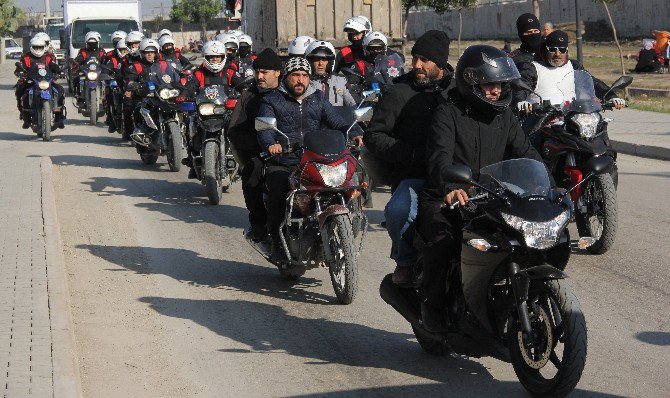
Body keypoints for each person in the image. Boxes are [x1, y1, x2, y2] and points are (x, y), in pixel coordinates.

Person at [418, 45, 547, 332]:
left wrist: (548, 184)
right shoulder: (447, 112)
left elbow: (527, 153)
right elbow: (439, 157)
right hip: (448, 197)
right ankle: (432, 307)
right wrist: (450, 187)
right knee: (444, 241)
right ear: (471, 82)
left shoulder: (505, 116)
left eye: (500, 85)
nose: (496, 91)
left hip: (490, 198)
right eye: (489, 84)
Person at [362, 30, 453, 285]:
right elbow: (375, 135)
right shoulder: (399, 91)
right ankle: (405, 261)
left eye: (425, 59)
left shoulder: (457, 92)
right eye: (415, 58)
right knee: (399, 211)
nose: (417, 65)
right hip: (414, 176)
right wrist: (411, 153)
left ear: (441, 62)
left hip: (453, 176)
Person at [257, 57, 349, 260]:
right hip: (284, 160)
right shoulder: (271, 100)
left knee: (346, 183)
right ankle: (277, 242)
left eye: (304, 75)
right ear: (286, 77)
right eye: (295, 75)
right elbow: (264, 129)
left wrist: (354, 131)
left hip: (313, 159)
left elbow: (336, 120)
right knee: (278, 189)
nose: (300, 80)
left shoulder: (317, 97)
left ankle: (345, 229)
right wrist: (271, 144)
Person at [228, 48, 283, 241]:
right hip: (260, 153)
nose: (260, 76)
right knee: (252, 172)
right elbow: (234, 131)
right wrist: (260, 145)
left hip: (291, 151)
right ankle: (258, 224)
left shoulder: (288, 93)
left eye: (265, 72)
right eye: (257, 72)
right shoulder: (248, 96)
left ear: (277, 73)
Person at [515, 30, 626, 115]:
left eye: (562, 49)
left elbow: (593, 83)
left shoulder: (574, 66)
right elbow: (522, 88)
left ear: (567, 50)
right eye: (553, 49)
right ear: (546, 49)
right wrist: (521, 101)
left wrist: (612, 96)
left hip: (572, 117)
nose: (557, 54)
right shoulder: (533, 67)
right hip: (541, 120)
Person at [183, 40, 236, 178]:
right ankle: (192, 159)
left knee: (239, 128)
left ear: (223, 57)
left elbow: (241, 84)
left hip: (225, 110)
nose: (215, 60)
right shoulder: (199, 73)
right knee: (191, 127)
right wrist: (183, 94)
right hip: (205, 111)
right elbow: (190, 87)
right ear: (206, 58)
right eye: (211, 57)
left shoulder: (230, 72)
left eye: (218, 57)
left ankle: (241, 158)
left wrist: (244, 91)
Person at [123, 38, 182, 141]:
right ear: (142, 53)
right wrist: (133, 84)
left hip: (162, 94)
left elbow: (175, 74)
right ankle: (137, 131)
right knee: (135, 109)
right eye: (147, 52)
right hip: (144, 97)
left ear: (156, 53)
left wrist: (183, 79)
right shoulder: (136, 66)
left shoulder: (163, 64)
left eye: (152, 52)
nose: (150, 55)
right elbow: (130, 79)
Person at [14, 36, 66, 129]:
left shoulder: (47, 58)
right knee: (21, 91)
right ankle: (25, 115)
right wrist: (20, 71)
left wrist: (60, 72)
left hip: (46, 80)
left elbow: (53, 66)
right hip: (32, 81)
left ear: (44, 48)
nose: (38, 49)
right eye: (36, 47)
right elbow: (21, 66)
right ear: (31, 47)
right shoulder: (26, 57)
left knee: (60, 90)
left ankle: (59, 117)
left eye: (40, 47)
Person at [305, 40, 356, 107]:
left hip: (337, 116)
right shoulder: (305, 82)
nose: (321, 63)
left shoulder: (341, 81)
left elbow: (351, 104)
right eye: (317, 59)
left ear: (330, 62)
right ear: (310, 62)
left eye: (324, 60)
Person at [71, 31, 107, 101]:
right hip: (86, 71)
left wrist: (107, 67)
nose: (92, 45)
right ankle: (78, 95)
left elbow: (105, 61)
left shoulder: (101, 51)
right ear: (86, 43)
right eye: (90, 43)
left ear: (98, 43)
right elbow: (78, 59)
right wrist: (75, 64)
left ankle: (105, 96)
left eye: (94, 43)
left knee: (106, 80)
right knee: (77, 78)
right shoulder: (83, 51)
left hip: (98, 71)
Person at [103, 38, 129, 133]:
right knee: (110, 95)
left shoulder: (132, 59)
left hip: (130, 86)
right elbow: (105, 69)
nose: (125, 52)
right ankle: (112, 119)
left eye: (126, 50)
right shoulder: (113, 59)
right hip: (117, 85)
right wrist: (106, 75)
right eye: (123, 50)